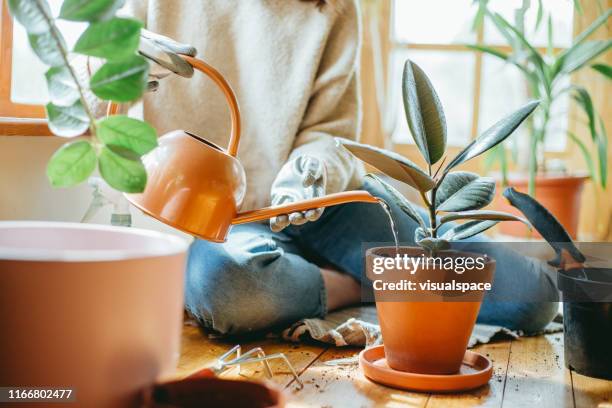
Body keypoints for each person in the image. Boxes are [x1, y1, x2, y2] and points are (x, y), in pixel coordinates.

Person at [118, 0, 559, 336]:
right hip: (228, 223)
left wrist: (309, 171)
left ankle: (311, 275)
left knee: (530, 297)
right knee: (226, 288)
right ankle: (352, 283)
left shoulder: (331, 8)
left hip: (325, 207)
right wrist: (113, 66)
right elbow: (83, 100)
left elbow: (333, 131)